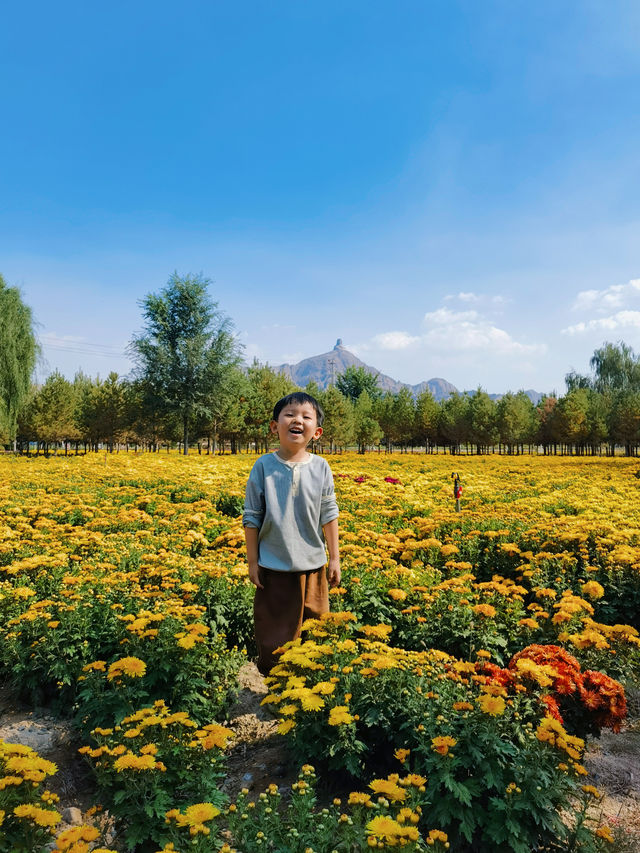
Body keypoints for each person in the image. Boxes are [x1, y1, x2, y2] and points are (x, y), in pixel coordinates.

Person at [243, 392, 340, 675]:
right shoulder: (263, 467)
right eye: (289, 414)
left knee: (315, 629)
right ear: (275, 426)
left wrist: (334, 558)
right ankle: (275, 689)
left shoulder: (321, 467)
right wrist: (252, 562)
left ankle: (309, 689)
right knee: (274, 635)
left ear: (317, 432)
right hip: (274, 568)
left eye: (306, 416)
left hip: (313, 566)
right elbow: (251, 517)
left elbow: (329, 514)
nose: (297, 420)